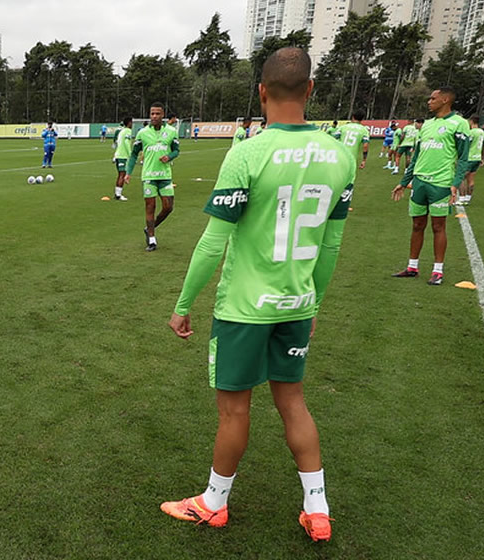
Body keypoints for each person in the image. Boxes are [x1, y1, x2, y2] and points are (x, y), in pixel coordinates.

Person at [161, 47, 349, 542]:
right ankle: (318, 508)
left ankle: (213, 503)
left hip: (245, 308)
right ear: (310, 90)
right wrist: (314, 304)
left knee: (234, 410)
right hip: (296, 305)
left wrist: (183, 305)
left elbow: (212, 242)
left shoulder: (246, 152)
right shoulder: (340, 154)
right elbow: (330, 246)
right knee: (294, 403)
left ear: (261, 92)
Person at [390, 87, 471, 286]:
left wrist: (456, 182)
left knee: (438, 226)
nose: (429, 101)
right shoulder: (426, 125)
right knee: (417, 225)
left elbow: (463, 157)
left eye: (433, 98)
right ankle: (412, 267)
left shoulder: (459, 124)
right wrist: (403, 181)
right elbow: (417, 156)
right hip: (419, 182)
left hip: (441, 184)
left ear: (445, 100)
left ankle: (437, 271)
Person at [123, 102, 178, 251]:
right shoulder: (142, 133)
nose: (154, 116)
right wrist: (128, 173)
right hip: (148, 176)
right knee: (150, 207)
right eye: (152, 113)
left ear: (163, 115)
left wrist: (170, 156)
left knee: (168, 207)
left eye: (157, 113)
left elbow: (176, 150)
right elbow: (134, 154)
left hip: (165, 175)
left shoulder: (172, 131)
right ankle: (152, 240)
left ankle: (150, 228)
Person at [460, 115, 484, 204]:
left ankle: (462, 198)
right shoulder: (482, 132)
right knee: (471, 179)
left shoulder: (471, 132)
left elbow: (467, 145)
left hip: (469, 158)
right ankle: (468, 197)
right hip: (477, 158)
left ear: (471, 121)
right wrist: (483, 157)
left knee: (461, 177)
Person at [111, 116, 133, 201]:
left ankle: (117, 193)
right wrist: (131, 155)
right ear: (129, 123)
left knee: (121, 174)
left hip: (118, 155)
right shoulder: (127, 131)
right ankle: (118, 195)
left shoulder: (122, 131)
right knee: (122, 174)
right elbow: (127, 144)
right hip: (122, 156)